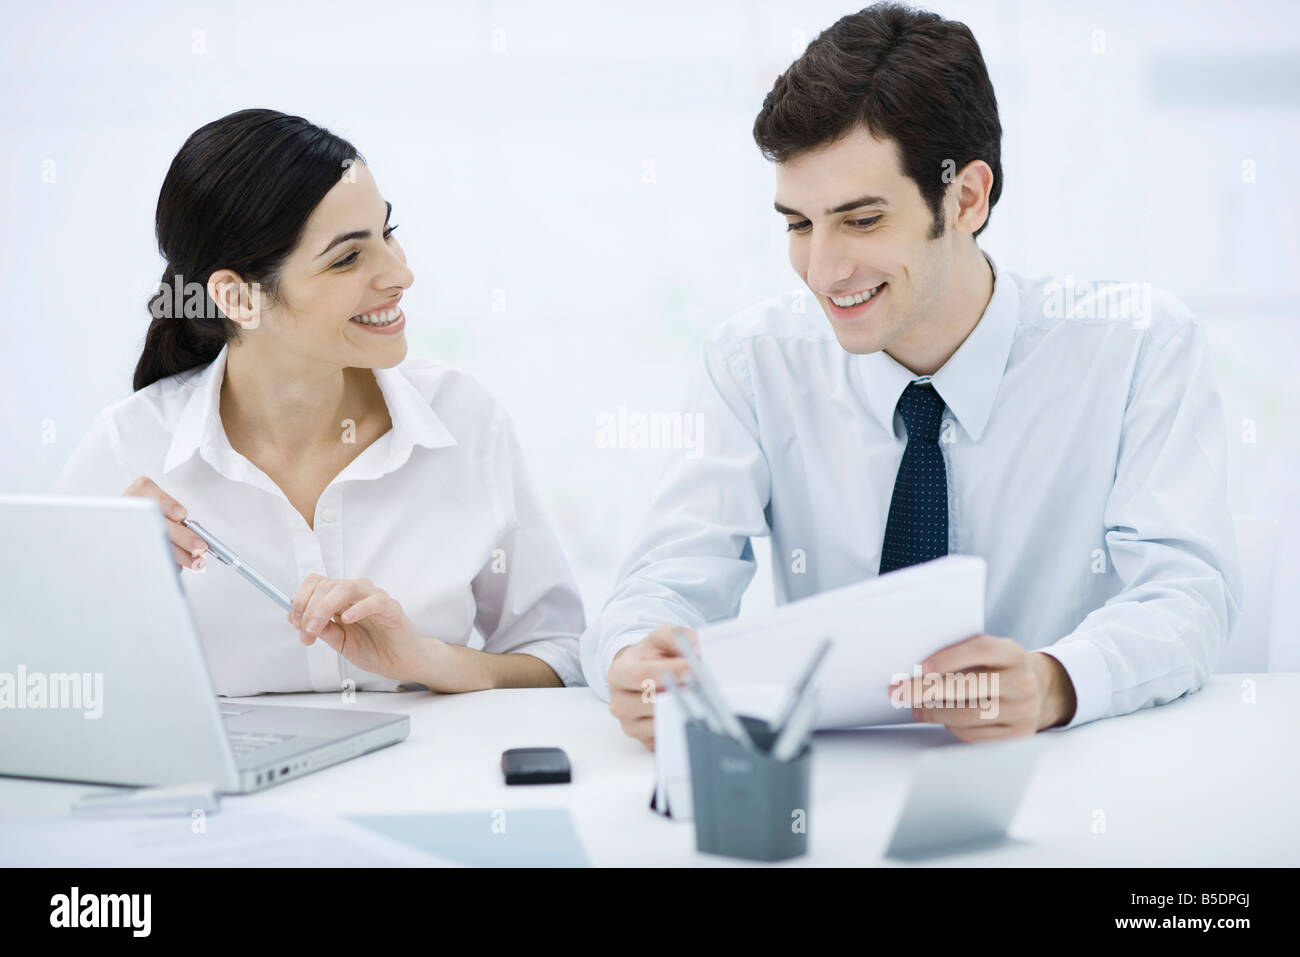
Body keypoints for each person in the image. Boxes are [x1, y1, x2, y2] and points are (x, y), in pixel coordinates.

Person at [582, 2, 1242, 748]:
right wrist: (638, 651)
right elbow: (667, 577)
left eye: (861, 221)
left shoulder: (1135, 347)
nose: (822, 270)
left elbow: (1188, 593)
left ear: (965, 198)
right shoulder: (753, 364)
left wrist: (1055, 679)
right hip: (834, 795)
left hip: (1069, 775)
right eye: (799, 224)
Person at [54, 109, 585, 696]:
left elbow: (561, 656)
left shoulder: (464, 417)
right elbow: (44, 687)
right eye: (348, 258)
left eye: (387, 232)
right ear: (237, 297)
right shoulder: (129, 449)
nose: (400, 273)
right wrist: (106, 579)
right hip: (233, 790)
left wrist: (427, 660)